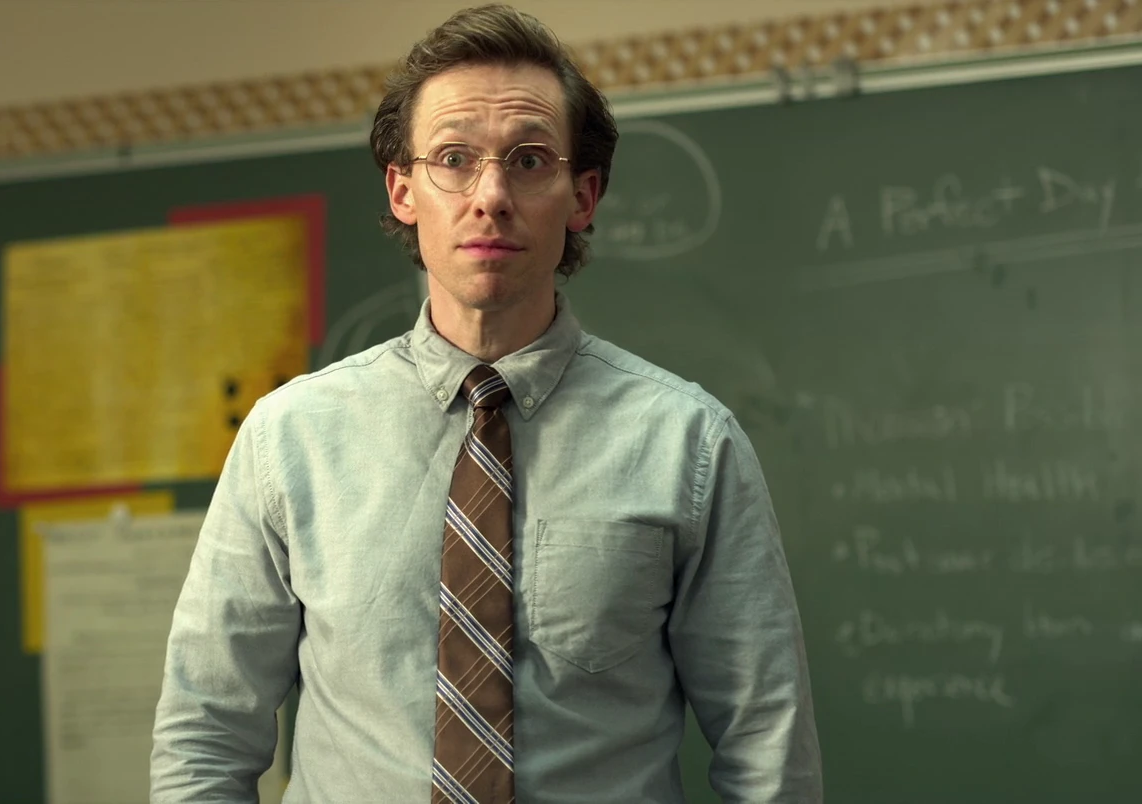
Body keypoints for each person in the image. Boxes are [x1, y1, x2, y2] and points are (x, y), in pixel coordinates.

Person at [151, 4, 822, 802]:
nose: (491, 194)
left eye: (530, 160)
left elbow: (766, 746)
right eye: (454, 159)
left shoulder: (689, 445)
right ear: (403, 189)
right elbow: (205, 736)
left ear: (583, 196)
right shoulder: (289, 439)